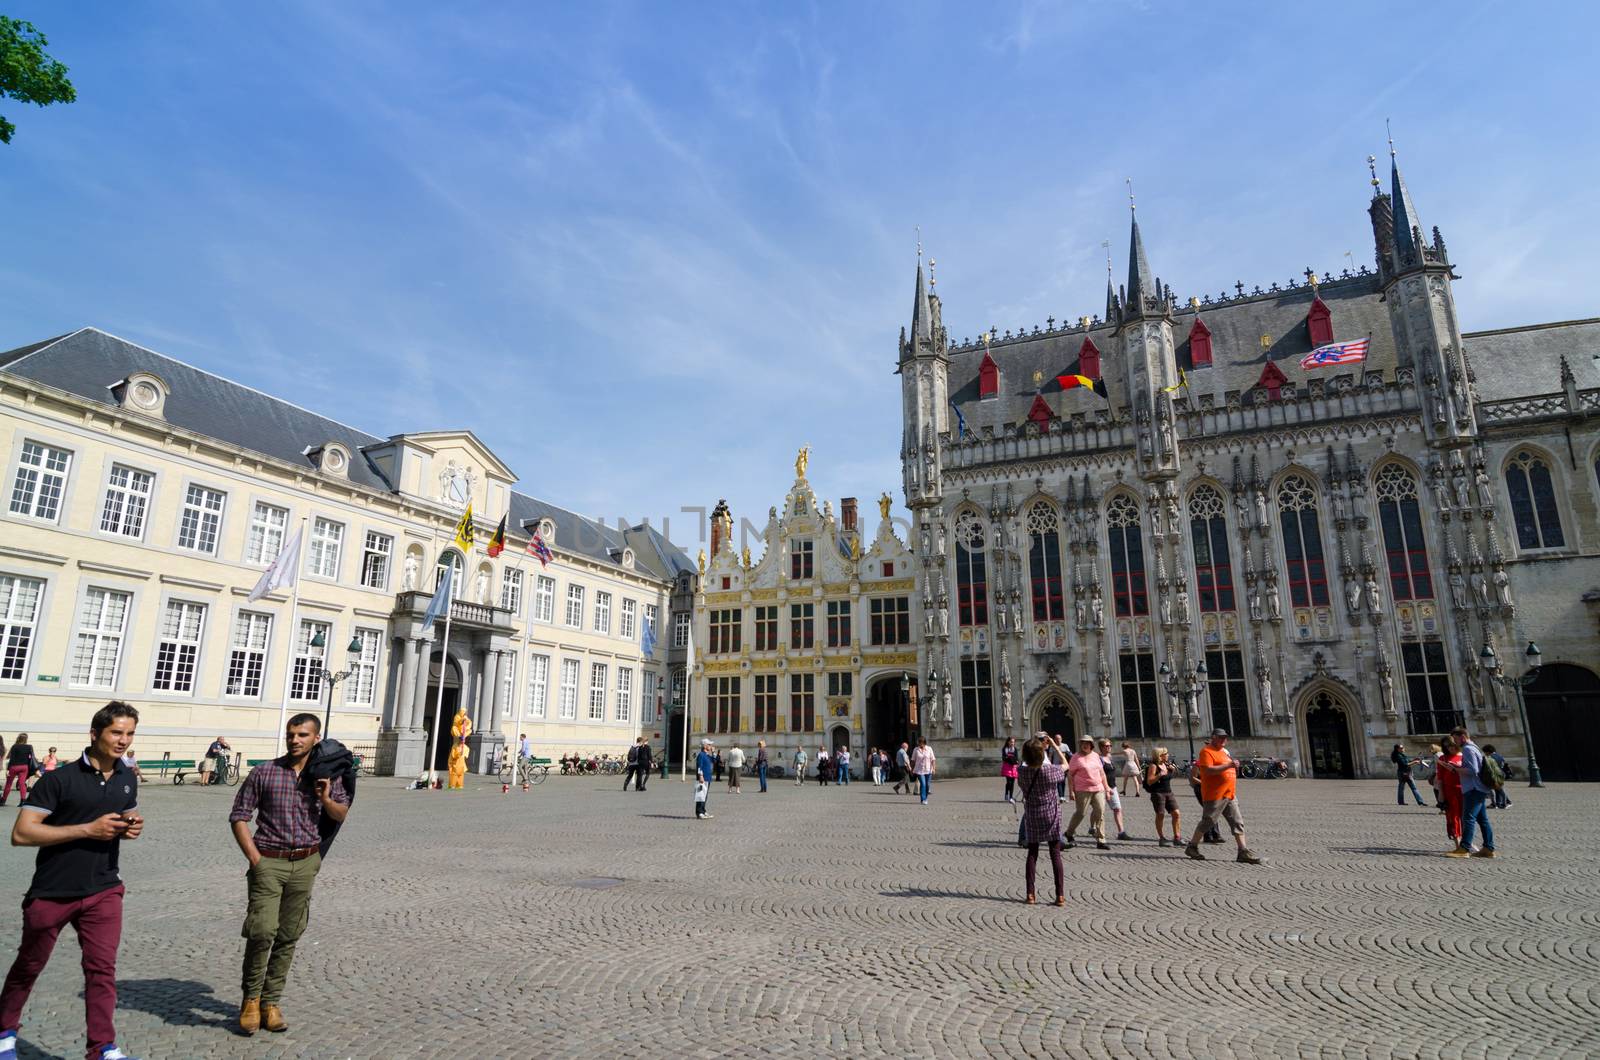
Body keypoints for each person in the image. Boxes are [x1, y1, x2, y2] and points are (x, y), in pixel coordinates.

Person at [0, 701, 144, 1060]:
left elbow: (123, 814)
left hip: (104, 889)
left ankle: (103, 1048)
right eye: (116, 732)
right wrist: (87, 829)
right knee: (28, 965)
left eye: (129, 733)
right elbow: (22, 834)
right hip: (53, 891)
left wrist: (131, 827)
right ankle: (4, 1031)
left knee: (101, 971)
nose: (123, 740)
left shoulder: (126, 777)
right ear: (95, 734)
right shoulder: (58, 779)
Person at [229, 713, 351, 1035]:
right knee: (261, 931)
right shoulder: (265, 772)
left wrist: (324, 797)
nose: (295, 740)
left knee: (289, 934)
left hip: (305, 862)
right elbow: (239, 816)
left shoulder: (326, 775)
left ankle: (271, 1002)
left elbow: (341, 813)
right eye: (291, 734)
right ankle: (251, 999)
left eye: (302, 735)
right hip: (268, 861)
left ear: (316, 737)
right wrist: (255, 858)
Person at [1184, 729, 1262, 864]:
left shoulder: (1223, 752)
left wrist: (1233, 766)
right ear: (1213, 737)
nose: (1224, 740)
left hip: (1229, 793)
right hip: (1215, 794)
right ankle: (1192, 846)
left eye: (1225, 738)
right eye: (1221, 737)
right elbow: (1207, 770)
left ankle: (1242, 851)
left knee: (1237, 822)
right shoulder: (1206, 752)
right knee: (1208, 821)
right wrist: (1229, 765)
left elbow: (1227, 767)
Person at [1018, 736, 1067, 906]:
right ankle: (1060, 896)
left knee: (1032, 854)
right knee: (1055, 854)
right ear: (1042, 754)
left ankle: (1030, 894)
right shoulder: (1050, 771)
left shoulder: (1022, 772)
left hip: (1032, 814)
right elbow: (1066, 764)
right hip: (1051, 814)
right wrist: (1053, 745)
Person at [1443, 725, 1496, 859]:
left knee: (1468, 818)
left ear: (1463, 737)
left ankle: (1464, 848)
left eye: (1456, 739)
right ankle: (1488, 848)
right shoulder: (1474, 748)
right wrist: (1458, 767)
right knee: (1482, 819)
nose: (1455, 743)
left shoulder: (1467, 749)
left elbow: (1473, 771)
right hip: (1478, 788)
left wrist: (1454, 769)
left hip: (1473, 788)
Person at [1064, 736, 1108, 850]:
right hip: (1082, 789)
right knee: (1081, 813)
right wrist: (1071, 791)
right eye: (1082, 743)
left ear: (1091, 744)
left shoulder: (1096, 756)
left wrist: (1106, 788)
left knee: (1100, 812)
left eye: (1087, 743)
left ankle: (1101, 840)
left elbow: (1102, 773)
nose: (1084, 745)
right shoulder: (1075, 757)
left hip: (1098, 788)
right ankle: (1069, 832)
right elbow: (1070, 775)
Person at [1145, 747, 1182, 847]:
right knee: (1160, 814)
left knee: (1176, 813)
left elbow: (1170, 777)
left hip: (1168, 792)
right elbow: (1149, 781)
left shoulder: (1166, 764)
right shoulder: (1153, 766)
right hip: (1158, 793)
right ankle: (1162, 838)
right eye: (1166, 753)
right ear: (1160, 755)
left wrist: (1173, 770)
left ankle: (1177, 837)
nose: (1168, 755)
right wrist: (1159, 775)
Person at [1098, 739, 1132, 840]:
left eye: (1110, 745)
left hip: (1113, 787)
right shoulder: (1099, 759)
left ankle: (1121, 832)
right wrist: (1105, 788)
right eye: (1106, 746)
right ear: (1101, 747)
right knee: (1099, 810)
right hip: (1102, 788)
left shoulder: (1109, 757)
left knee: (1117, 809)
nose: (1109, 747)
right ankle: (1093, 827)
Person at [1436, 736, 1463, 847]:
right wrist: (1441, 793)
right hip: (1450, 791)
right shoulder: (1443, 758)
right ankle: (1457, 842)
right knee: (1453, 816)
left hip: (1465, 790)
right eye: (1447, 746)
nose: (1450, 748)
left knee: (1465, 816)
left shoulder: (1464, 756)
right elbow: (1440, 778)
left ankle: (1467, 841)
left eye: (1452, 745)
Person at [1187, 762, 1222, 843]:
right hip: (1200, 789)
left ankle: (1213, 835)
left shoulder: (1213, 764)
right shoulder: (1198, 764)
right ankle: (1211, 835)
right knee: (1210, 811)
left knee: (1212, 811)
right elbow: (1193, 778)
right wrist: (1204, 783)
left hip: (1210, 789)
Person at [2, 734, 35, 805]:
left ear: (18, 738)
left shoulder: (14, 746)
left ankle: (3, 800)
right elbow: (31, 758)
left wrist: (8, 769)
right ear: (26, 739)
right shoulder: (29, 747)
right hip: (24, 767)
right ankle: (22, 801)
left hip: (14, 767)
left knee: (9, 783)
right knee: (22, 784)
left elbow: (12, 758)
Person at [1482, 744, 1512, 808]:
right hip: (1501, 774)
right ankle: (1498, 803)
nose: (1485, 753)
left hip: (1494, 775)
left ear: (1487, 751)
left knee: (1498, 789)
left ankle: (1505, 803)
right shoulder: (1500, 756)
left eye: (1485, 752)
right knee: (1498, 789)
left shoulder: (1490, 757)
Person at [911, 737, 936, 805]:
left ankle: (925, 797)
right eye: (919, 743)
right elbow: (913, 760)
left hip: (928, 770)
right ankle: (923, 799)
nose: (919, 744)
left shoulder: (929, 749)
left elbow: (933, 759)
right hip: (919, 770)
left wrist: (934, 768)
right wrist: (912, 769)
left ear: (924, 743)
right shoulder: (916, 750)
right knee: (923, 784)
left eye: (921, 743)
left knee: (927, 785)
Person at [693, 740, 714, 820]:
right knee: (700, 796)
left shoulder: (707, 755)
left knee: (704, 796)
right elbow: (699, 766)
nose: (711, 746)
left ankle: (703, 810)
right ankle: (699, 812)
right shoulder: (701, 755)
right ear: (704, 746)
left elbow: (714, 760)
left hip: (707, 778)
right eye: (709, 744)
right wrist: (700, 775)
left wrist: (713, 753)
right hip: (702, 778)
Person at [1000, 737, 1020, 804]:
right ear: (1008, 742)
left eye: (1013, 742)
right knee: (1009, 782)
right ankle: (1006, 793)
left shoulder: (1015, 749)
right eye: (1011, 742)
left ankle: (1011, 797)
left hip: (1013, 767)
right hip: (1007, 767)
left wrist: (1010, 758)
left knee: (1013, 782)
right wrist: (1011, 759)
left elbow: (1016, 758)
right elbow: (1004, 758)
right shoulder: (1004, 749)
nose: (1012, 743)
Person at [1052, 733, 1069, 803]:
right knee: (1059, 781)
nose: (1058, 740)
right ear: (1054, 740)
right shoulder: (1053, 747)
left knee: (1063, 781)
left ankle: (1063, 796)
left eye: (1059, 738)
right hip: (1056, 766)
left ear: (1061, 739)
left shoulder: (1065, 746)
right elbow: (1050, 756)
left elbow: (1069, 753)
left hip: (1064, 766)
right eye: (1056, 739)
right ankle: (1061, 796)